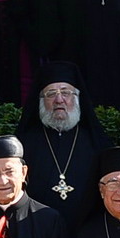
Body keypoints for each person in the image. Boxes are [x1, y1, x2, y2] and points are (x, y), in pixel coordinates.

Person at [18, 62, 99, 225]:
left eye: (66, 92)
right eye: (51, 93)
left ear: (76, 98)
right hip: (38, 231)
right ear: (41, 100)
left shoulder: (95, 141)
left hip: (87, 230)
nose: (59, 100)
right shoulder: (26, 142)